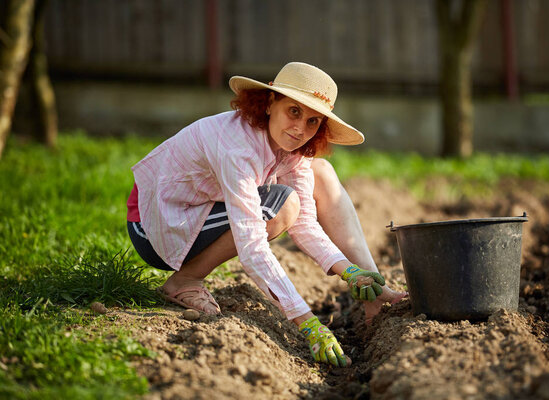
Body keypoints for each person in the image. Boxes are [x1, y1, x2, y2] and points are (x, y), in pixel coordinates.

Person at [126, 62, 407, 367]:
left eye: (313, 120)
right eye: (294, 111)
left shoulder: (294, 150)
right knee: (281, 205)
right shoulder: (238, 147)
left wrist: (349, 271)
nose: (300, 128)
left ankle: (188, 276)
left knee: (288, 206)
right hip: (154, 222)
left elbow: (303, 223)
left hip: (196, 211)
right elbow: (252, 246)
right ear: (271, 103)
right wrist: (307, 322)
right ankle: (185, 280)